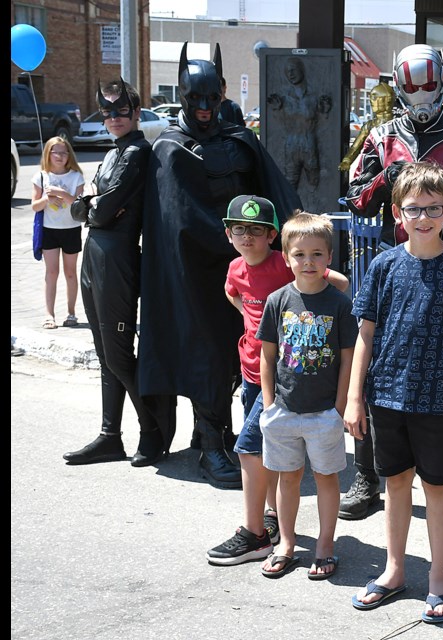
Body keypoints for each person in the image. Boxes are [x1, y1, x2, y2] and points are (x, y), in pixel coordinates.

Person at [138, 43, 302, 489]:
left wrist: (297, 243)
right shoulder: (171, 148)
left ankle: (223, 435)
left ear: (223, 92)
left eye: (213, 98)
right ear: (185, 96)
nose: (206, 109)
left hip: (251, 267)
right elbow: (176, 217)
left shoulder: (240, 139)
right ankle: (211, 447)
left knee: (247, 354)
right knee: (206, 355)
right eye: (196, 100)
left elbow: (278, 195)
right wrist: (237, 242)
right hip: (195, 272)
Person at [344, 162, 443, 622]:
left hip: (437, 398)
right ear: (397, 213)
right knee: (394, 485)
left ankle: (439, 579)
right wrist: (353, 397)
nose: (423, 217)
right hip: (384, 395)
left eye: (432, 208)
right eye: (414, 209)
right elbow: (365, 334)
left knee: (436, 488)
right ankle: (393, 571)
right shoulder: (384, 266)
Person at [341, 44, 443, 521]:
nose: (421, 95)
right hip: (389, 263)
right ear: (398, 86)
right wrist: (386, 179)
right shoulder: (381, 136)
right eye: (411, 86)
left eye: (428, 84)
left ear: (442, 82)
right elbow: (356, 198)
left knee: (439, 369)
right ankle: (367, 476)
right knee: (378, 362)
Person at [206, 196, 349, 565]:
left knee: (247, 449)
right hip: (255, 376)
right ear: (228, 234)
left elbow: (335, 282)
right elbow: (231, 292)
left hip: (293, 389)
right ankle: (273, 521)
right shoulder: (237, 268)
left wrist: (341, 404)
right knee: (273, 457)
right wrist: (251, 325)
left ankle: (256, 534)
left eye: (256, 230)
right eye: (240, 229)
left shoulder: (286, 271)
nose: (248, 237)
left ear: (271, 237)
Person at [63, 78, 175, 467]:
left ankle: (152, 428)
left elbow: (100, 211)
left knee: (117, 354)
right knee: (104, 353)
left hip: (118, 259)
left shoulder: (137, 153)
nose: (112, 118)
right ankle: (110, 434)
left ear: (136, 113)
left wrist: (90, 206)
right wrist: (90, 206)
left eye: (120, 112)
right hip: (95, 254)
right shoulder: (113, 154)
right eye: (106, 112)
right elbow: (88, 209)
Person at [254, 212, 356, 579]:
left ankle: (325, 546)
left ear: (329, 258)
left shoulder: (340, 305)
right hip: (283, 410)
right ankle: (286, 543)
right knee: (287, 478)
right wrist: (268, 405)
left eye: (316, 254)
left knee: (326, 478)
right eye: (300, 254)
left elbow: (348, 359)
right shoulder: (278, 300)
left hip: (324, 413)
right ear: (286, 257)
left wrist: (339, 408)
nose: (308, 262)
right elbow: (267, 356)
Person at [31, 136, 84, 330]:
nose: (60, 156)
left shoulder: (76, 176)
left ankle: (71, 312)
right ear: (48, 154)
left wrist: (60, 193)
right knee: (51, 273)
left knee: (71, 273)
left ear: (69, 154)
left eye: (64, 152)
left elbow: (79, 205)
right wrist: (46, 199)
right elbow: (35, 206)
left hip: (70, 229)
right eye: (56, 152)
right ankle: (49, 315)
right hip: (49, 230)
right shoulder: (41, 176)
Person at [266, 56, 332, 191]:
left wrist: (324, 111)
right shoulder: (283, 99)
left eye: (294, 70)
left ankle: (313, 209)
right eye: (287, 71)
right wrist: (277, 109)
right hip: (291, 146)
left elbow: (326, 126)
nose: (291, 74)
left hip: (309, 144)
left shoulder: (314, 97)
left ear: (302, 70)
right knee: (290, 183)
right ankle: (292, 210)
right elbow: (277, 126)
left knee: (314, 182)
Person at [339, 82, 396, 173]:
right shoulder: (369, 125)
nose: (371, 101)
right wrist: (347, 161)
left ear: (387, 100)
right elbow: (356, 146)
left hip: (393, 168)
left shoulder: (399, 123)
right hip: (372, 167)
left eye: (374, 97)